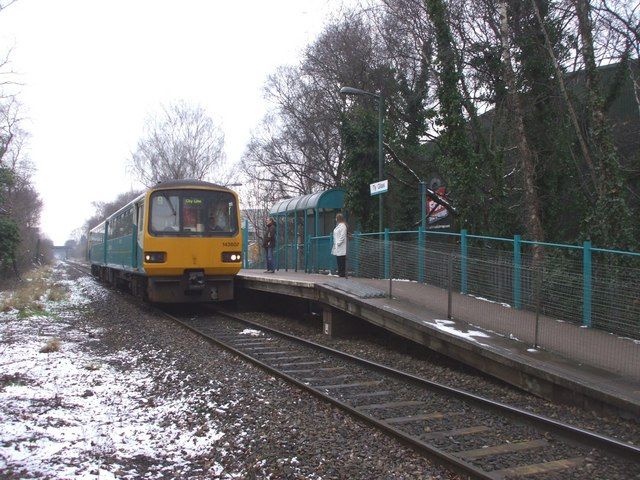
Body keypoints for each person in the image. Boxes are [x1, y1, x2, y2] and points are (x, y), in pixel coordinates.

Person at [331, 213, 348, 278]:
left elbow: (342, 235)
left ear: (338, 219)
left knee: (341, 260)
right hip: (338, 246)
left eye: (336, 218)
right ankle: (340, 272)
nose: (335, 219)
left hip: (341, 246)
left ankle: (342, 273)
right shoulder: (339, 225)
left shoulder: (343, 226)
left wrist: (338, 243)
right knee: (339, 259)